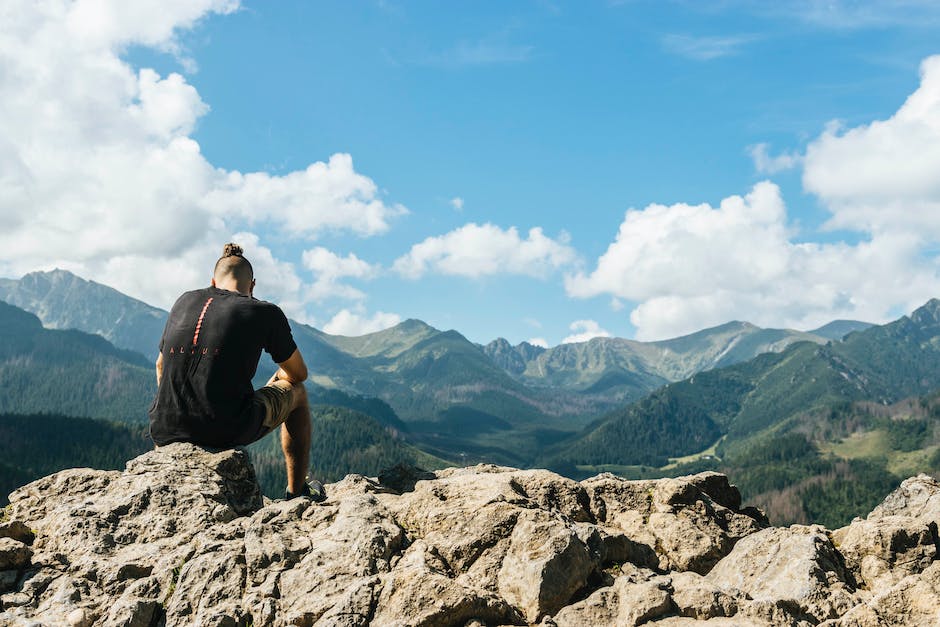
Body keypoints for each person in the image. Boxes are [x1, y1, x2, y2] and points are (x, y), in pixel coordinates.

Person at [148, 243, 324, 500]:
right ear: (252, 286)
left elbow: (161, 365)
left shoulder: (184, 301)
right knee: (297, 392)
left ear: (213, 281)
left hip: (163, 429)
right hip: (224, 428)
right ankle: (297, 493)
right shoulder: (263, 311)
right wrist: (278, 379)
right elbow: (299, 374)